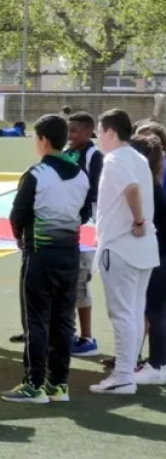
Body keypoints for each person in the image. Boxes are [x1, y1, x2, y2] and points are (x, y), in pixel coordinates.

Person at [1, 114, 89, 403]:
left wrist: (20, 236)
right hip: (70, 254)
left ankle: (33, 384)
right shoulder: (80, 174)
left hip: (39, 255)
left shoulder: (36, 174)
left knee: (36, 320)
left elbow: (18, 215)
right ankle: (58, 384)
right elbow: (85, 213)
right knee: (64, 320)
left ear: (43, 141)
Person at [91, 109, 160, 394]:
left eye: (99, 130)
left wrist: (139, 221)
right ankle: (126, 373)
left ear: (110, 131)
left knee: (122, 314)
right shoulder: (139, 158)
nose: (98, 137)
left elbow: (131, 189)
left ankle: (122, 376)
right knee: (132, 313)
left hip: (121, 245)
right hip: (142, 249)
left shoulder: (116, 159)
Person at [126, 135, 166, 386]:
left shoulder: (149, 187)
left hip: (158, 255)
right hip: (156, 253)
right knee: (154, 310)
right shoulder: (152, 184)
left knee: (154, 310)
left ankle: (157, 365)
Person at [66, 111, 104, 354]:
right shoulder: (68, 153)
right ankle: (67, 333)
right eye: (68, 130)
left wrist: (85, 219)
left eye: (74, 131)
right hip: (67, 226)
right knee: (67, 282)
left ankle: (87, 338)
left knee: (80, 284)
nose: (70, 135)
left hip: (85, 228)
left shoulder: (94, 155)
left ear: (89, 132)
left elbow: (95, 191)